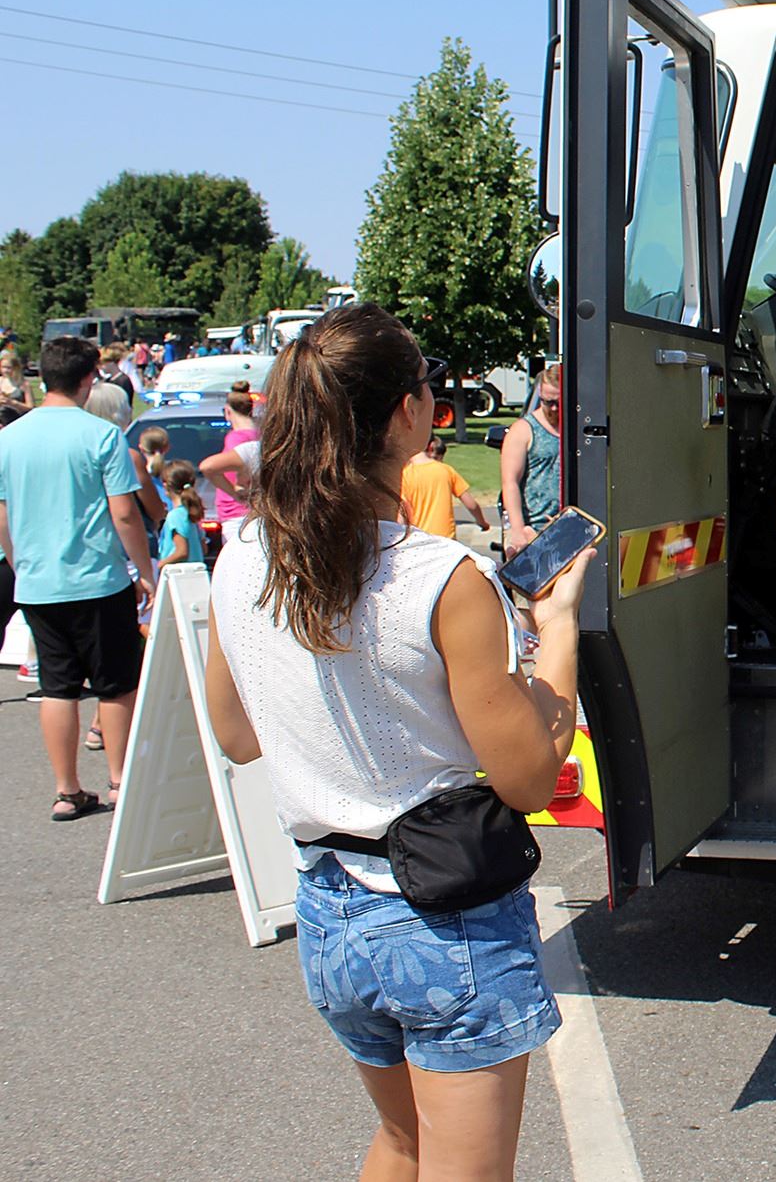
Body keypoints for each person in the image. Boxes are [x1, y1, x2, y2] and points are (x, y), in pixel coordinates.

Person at [204, 304, 589, 1178]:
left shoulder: (244, 555)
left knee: (404, 1140)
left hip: (327, 908)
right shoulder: (444, 576)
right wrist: (557, 628)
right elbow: (531, 777)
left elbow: (238, 735)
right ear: (406, 415)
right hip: (439, 917)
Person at [0, 336, 157, 821]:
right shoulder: (101, 436)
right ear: (89, 379)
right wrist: (144, 571)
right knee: (114, 684)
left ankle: (66, 789)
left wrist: (17, 561)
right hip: (97, 577)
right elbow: (124, 513)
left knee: (57, 686)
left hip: (38, 580)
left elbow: (3, 516)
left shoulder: (9, 438)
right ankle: (117, 780)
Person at [499, 364, 562, 557]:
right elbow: (510, 483)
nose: (553, 408)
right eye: (546, 401)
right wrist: (518, 531)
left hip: (570, 528)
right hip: (534, 530)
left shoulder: (577, 427)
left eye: (558, 402)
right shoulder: (523, 429)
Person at [403, 437, 487, 538]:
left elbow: (402, 513)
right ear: (431, 446)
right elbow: (471, 504)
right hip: (446, 538)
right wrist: (482, 522)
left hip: (419, 538)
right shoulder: (446, 470)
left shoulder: (405, 475)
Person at [210, 381, 261, 543]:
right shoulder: (261, 436)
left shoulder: (236, 439)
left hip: (236, 514)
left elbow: (210, 467)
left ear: (228, 411)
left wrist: (233, 492)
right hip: (253, 513)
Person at [156, 460, 204, 566]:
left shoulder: (175, 516)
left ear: (165, 486)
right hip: (195, 574)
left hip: (178, 575)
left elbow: (182, 552)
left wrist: (160, 564)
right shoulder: (191, 513)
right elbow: (204, 548)